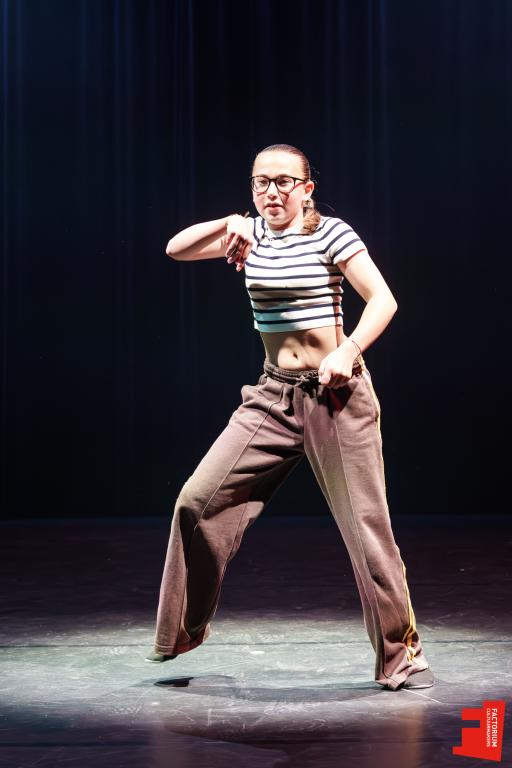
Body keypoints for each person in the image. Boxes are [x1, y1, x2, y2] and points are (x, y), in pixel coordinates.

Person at [146, 143, 434, 691]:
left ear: (306, 188)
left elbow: (383, 300)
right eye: (261, 182)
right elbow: (175, 249)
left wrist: (348, 350)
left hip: (336, 396)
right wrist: (231, 221)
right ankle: (182, 631)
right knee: (196, 501)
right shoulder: (248, 235)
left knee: (367, 531)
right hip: (273, 396)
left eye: (283, 181)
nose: (271, 192)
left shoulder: (331, 233)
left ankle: (403, 658)